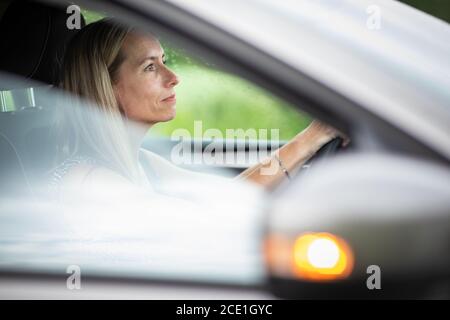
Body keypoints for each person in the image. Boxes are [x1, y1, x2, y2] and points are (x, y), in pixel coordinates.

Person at [51, 18, 346, 199]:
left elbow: (231, 199)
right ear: (109, 86)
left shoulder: (142, 163)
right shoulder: (92, 182)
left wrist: (313, 136)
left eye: (164, 61)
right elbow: (207, 224)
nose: (173, 78)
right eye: (150, 67)